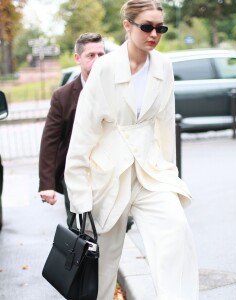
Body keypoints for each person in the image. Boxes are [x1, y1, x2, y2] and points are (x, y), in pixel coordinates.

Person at [65, 1, 199, 299]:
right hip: (108, 175)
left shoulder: (163, 65)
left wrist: (170, 174)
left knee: (176, 233)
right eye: (147, 26)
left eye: (160, 28)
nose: (154, 34)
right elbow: (84, 133)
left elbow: (164, 125)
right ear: (128, 25)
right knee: (104, 263)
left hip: (150, 172)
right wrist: (79, 196)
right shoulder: (105, 68)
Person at [38, 33, 105, 226]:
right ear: (78, 58)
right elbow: (50, 141)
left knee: (114, 228)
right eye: (91, 55)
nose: (98, 60)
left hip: (110, 172)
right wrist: (47, 185)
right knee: (79, 230)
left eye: (101, 54)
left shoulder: (116, 89)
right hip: (76, 174)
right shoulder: (63, 96)